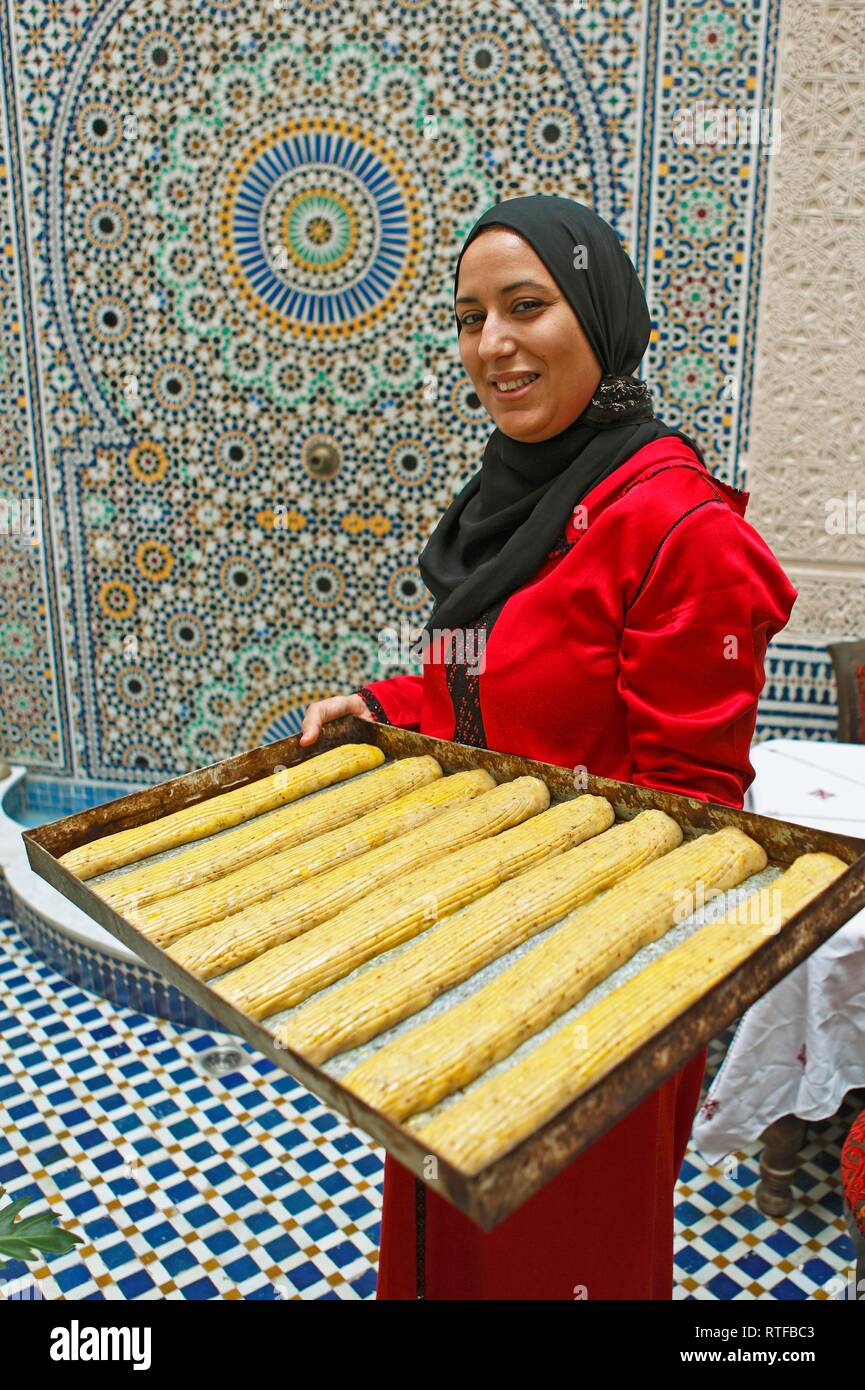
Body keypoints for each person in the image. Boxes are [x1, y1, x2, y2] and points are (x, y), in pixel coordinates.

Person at [300, 194, 798, 1300]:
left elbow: (695, 822)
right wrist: (379, 709)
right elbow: (473, 689)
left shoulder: (675, 530)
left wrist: (552, 953)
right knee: (445, 1228)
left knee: (553, 1254)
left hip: (593, 995)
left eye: (526, 307)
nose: (492, 345)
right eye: (469, 317)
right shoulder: (514, 500)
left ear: (600, 314)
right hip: (466, 944)